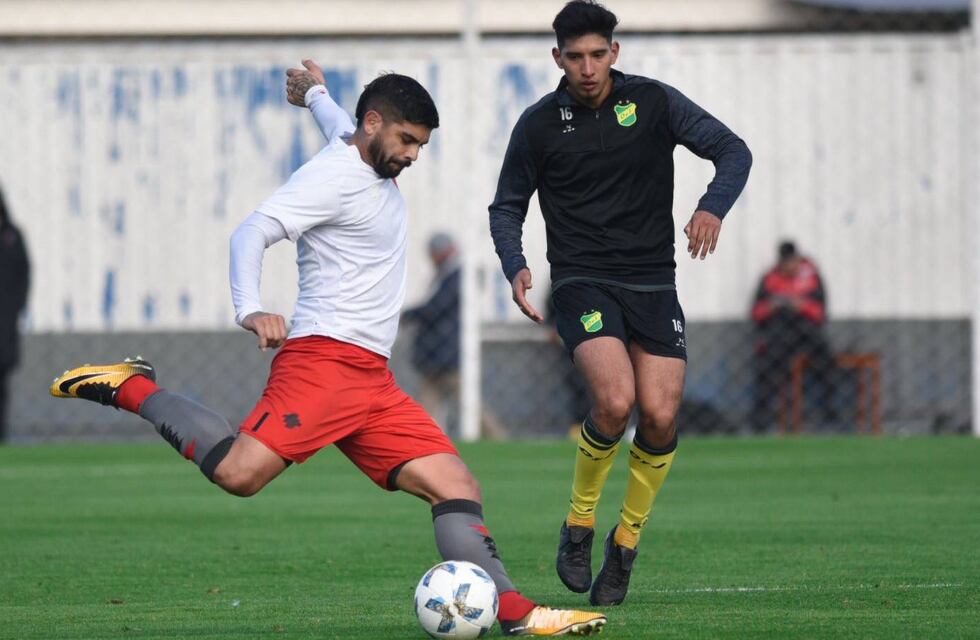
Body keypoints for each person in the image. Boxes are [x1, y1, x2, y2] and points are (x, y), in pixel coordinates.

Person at [50, 61, 605, 636]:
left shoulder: (362, 147)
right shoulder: (332, 177)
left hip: (371, 380)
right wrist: (250, 308)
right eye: (408, 140)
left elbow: (342, 127)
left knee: (456, 485)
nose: (414, 155)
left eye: (421, 144)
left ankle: (514, 612)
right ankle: (130, 385)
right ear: (376, 124)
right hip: (323, 363)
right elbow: (252, 231)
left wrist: (315, 94)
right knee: (240, 475)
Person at [489, 1, 752, 606]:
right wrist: (517, 265)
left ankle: (624, 545)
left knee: (659, 416)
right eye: (574, 57)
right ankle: (578, 526)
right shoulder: (537, 125)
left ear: (615, 52)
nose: (587, 67)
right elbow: (507, 205)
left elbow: (733, 150)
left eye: (597, 55)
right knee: (615, 401)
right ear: (557, 58)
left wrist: (712, 206)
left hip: (654, 281)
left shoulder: (654, 102)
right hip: (582, 281)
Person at [402, 232, 507, 439]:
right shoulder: (448, 275)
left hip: (447, 353)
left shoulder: (456, 276)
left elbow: (436, 307)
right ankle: (425, 439)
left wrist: (409, 314)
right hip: (439, 353)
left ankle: (496, 437)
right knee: (430, 403)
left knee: (468, 403)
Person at [750, 240, 832, 432]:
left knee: (827, 363)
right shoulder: (770, 279)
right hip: (778, 338)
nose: (791, 266)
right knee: (767, 368)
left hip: (808, 336)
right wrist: (773, 306)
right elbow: (756, 314)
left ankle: (829, 416)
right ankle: (761, 423)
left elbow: (821, 313)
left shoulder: (812, 278)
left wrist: (800, 305)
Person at [0, 187, 30, 442]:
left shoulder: (12, 236)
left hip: (4, 326)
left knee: (2, 387)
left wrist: (15, 307)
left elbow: (24, 275)